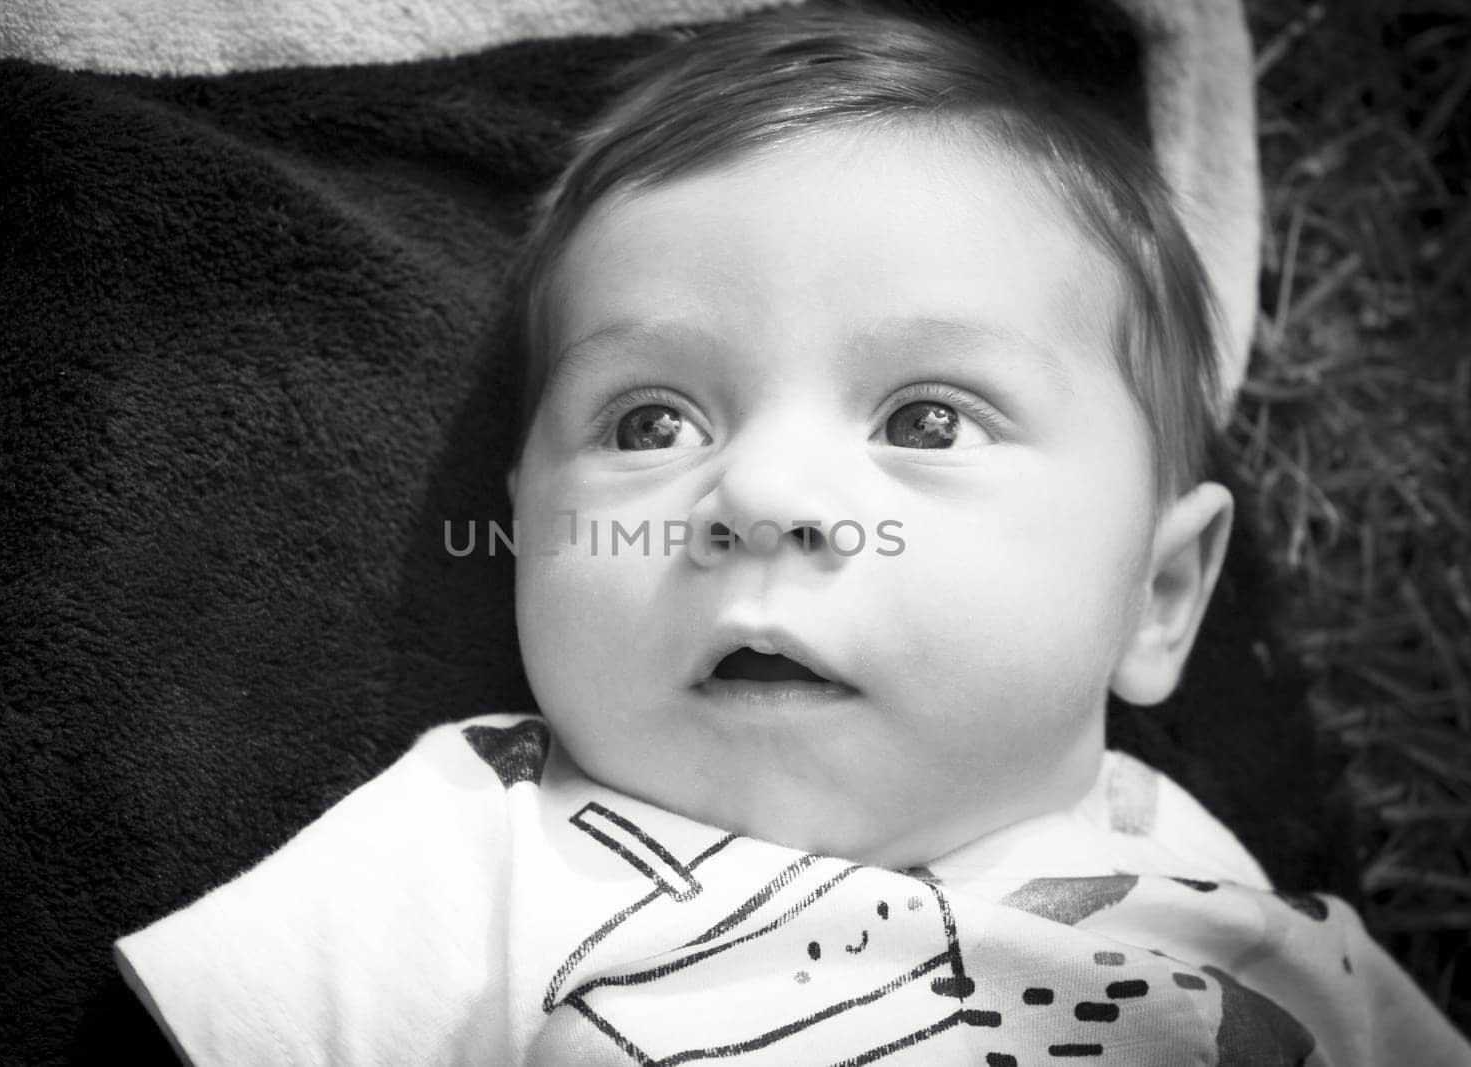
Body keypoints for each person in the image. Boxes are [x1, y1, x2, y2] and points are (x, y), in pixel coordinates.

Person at [115, 4, 1470, 1062]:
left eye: (928, 421)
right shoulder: (475, 852)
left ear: (1159, 596)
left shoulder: (1283, 952)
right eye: (651, 424)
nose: (759, 497)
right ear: (523, 536)